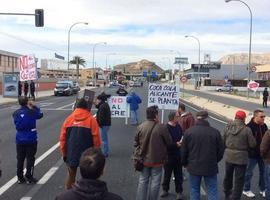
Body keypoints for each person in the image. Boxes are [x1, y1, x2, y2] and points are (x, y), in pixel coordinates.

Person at [181, 110, 224, 200]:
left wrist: (185, 163)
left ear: (197, 118)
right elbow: (221, 151)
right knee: (212, 190)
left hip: (193, 166)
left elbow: (184, 150)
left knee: (194, 190)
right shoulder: (215, 132)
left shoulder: (189, 132)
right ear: (207, 118)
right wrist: (214, 160)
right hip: (210, 166)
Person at [59, 98, 101, 189]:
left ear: (76, 107)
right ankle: (86, 194)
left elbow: (62, 139)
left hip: (71, 152)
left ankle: (68, 194)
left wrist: (64, 153)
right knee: (87, 176)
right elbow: (96, 138)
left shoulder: (68, 119)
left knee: (71, 174)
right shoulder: (91, 120)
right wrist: (96, 152)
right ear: (86, 108)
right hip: (87, 153)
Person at [134, 105, 172, 200]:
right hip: (157, 159)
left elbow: (136, 142)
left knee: (143, 180)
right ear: (155, 115)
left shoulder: (141, 126)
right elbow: (169, 142)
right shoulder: (161, 127)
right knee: (155, 182)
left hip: (143, 159)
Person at [55, 147, 123, 200]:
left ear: (80, 168)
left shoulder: (62, 198)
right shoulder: (116, 198)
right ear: (102, 171)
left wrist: (64, 154)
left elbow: (63, 139)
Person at [223, 110, 256, 200]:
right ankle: (235, 197)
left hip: (229, 156)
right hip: (241, 158)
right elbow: (252, 144)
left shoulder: (228, 127)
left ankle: (227, 193)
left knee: (228, 176)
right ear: (243, 118)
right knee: (239, 179)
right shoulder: (246, 129)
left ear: (235, 117)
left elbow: (223, 140)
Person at [12, 96, 43, 184]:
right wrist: (34, 106)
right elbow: (40, 114)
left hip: (19, 138)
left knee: (20, 159)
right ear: (27, 102)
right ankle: (29, 176)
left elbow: (16, 122)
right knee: (30, 158)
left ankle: (20, 177)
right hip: (31, 138)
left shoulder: (15, 113)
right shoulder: (32, 112)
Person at [243, 109, 268, 198]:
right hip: (252, 155)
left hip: (263, 155)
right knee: (248, 173)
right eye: (261, 117)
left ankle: (263, 189)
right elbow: (246, 142)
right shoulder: (249, 127)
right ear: (255, 117)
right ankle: (246, 189)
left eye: (264, 116)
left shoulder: (264, 126)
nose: (263, 118)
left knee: (264, 172)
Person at [160, 111, 183, 200]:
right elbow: (164, 143)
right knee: (167, 174)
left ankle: (179, 192)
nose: (179, 117)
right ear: (173, 118)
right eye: (177, 116)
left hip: (178, 155)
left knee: (179, 175)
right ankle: (165, 189)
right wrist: (175, 145)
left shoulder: (178, 126)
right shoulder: (166, 128)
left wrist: (182, 141)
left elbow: (181, 135)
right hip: (168, 155)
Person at [96, 92, 111, 157]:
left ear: (100, 100)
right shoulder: (104, 104)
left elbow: (101, 117)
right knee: (105, 139)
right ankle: (105, 151)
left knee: (103, 140)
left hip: (103, 125)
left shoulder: (102, 106)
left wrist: (99, 124)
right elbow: (98, 106)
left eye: (98, 100)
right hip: (106, 124)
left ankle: (104, 153)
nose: (97, 101)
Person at [260, 129, 270, 200]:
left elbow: (263, 147)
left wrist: (263, 156)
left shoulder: (269, 132)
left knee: (268, 183)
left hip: (269, 161)